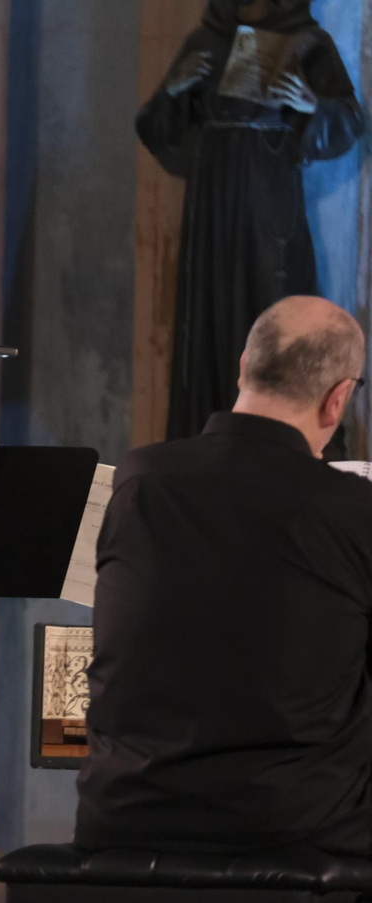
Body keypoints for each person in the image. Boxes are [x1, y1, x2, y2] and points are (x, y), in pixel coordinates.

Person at [77, 295, 372, 855]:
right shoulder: (354, 511)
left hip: (125, 822)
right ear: (337, 401)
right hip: (295, 836)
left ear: (244, 367)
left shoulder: (141, 479)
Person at [137, 0, 363, 445]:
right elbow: (155, 126)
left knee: (269, 303)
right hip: (212, 198)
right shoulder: (206, 38)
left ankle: (277, 439)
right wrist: (176, 89)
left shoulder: (307, 40)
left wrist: (308, 103)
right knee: (208, 311)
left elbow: (348, 120)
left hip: (268, 190)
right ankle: (203, 441)